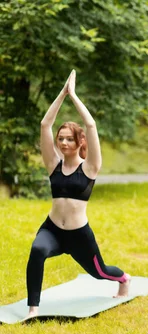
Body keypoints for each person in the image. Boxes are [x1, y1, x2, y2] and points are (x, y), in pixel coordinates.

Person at [27, 70, 130, 318]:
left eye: (68, 140)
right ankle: (33, 309)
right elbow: (45, 124)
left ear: (78, 142)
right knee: (37, 250)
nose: (62, 143)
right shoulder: (54, 164)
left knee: (100, 271)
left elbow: (91, 125)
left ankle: (124, 279)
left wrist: (74, 96)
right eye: (60, 139)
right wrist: (62, 94)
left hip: (79, 235)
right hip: (52, 229)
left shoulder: (90, 167)